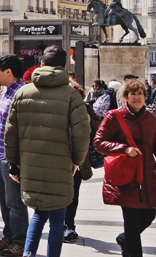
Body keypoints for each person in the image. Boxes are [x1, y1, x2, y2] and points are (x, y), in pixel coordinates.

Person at [4, 46, 90, 257]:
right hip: (61, 167)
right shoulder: (71, 95)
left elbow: (10, 132)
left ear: (41, 64)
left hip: (31, 166)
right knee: (58, 219)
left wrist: (13, 163)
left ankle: (28, 254)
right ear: (64, 67)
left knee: (39, 214)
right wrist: (77, 162)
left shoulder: (23, 93)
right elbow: (81, 134)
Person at [94, 79, 156, 257]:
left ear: (145, 96)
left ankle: (124, 239)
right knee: (132, 223)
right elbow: (98, 142)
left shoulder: (150, 118)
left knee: (149, 216)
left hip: (147, 177)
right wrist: (123, 148)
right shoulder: (114, 116)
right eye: (132, 94)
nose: (137, 97)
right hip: (126, 177)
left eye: (140, 94)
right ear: (126, 97)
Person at [0, 54, 28, 257]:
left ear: (8, 72)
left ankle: (20, 241)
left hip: (10, 158)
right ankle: (9, 236)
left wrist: (17, 161)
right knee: (2, 198)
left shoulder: (21, 92)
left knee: (15, 202)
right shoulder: (4, 92)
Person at [63, 80, 100, 244]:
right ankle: (62, 224)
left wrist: (90, 120)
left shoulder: (85, 109)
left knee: (73, 194)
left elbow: (100, 127)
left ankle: (69, 225)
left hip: (78, 160)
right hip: (60, 158)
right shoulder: (59, 109)